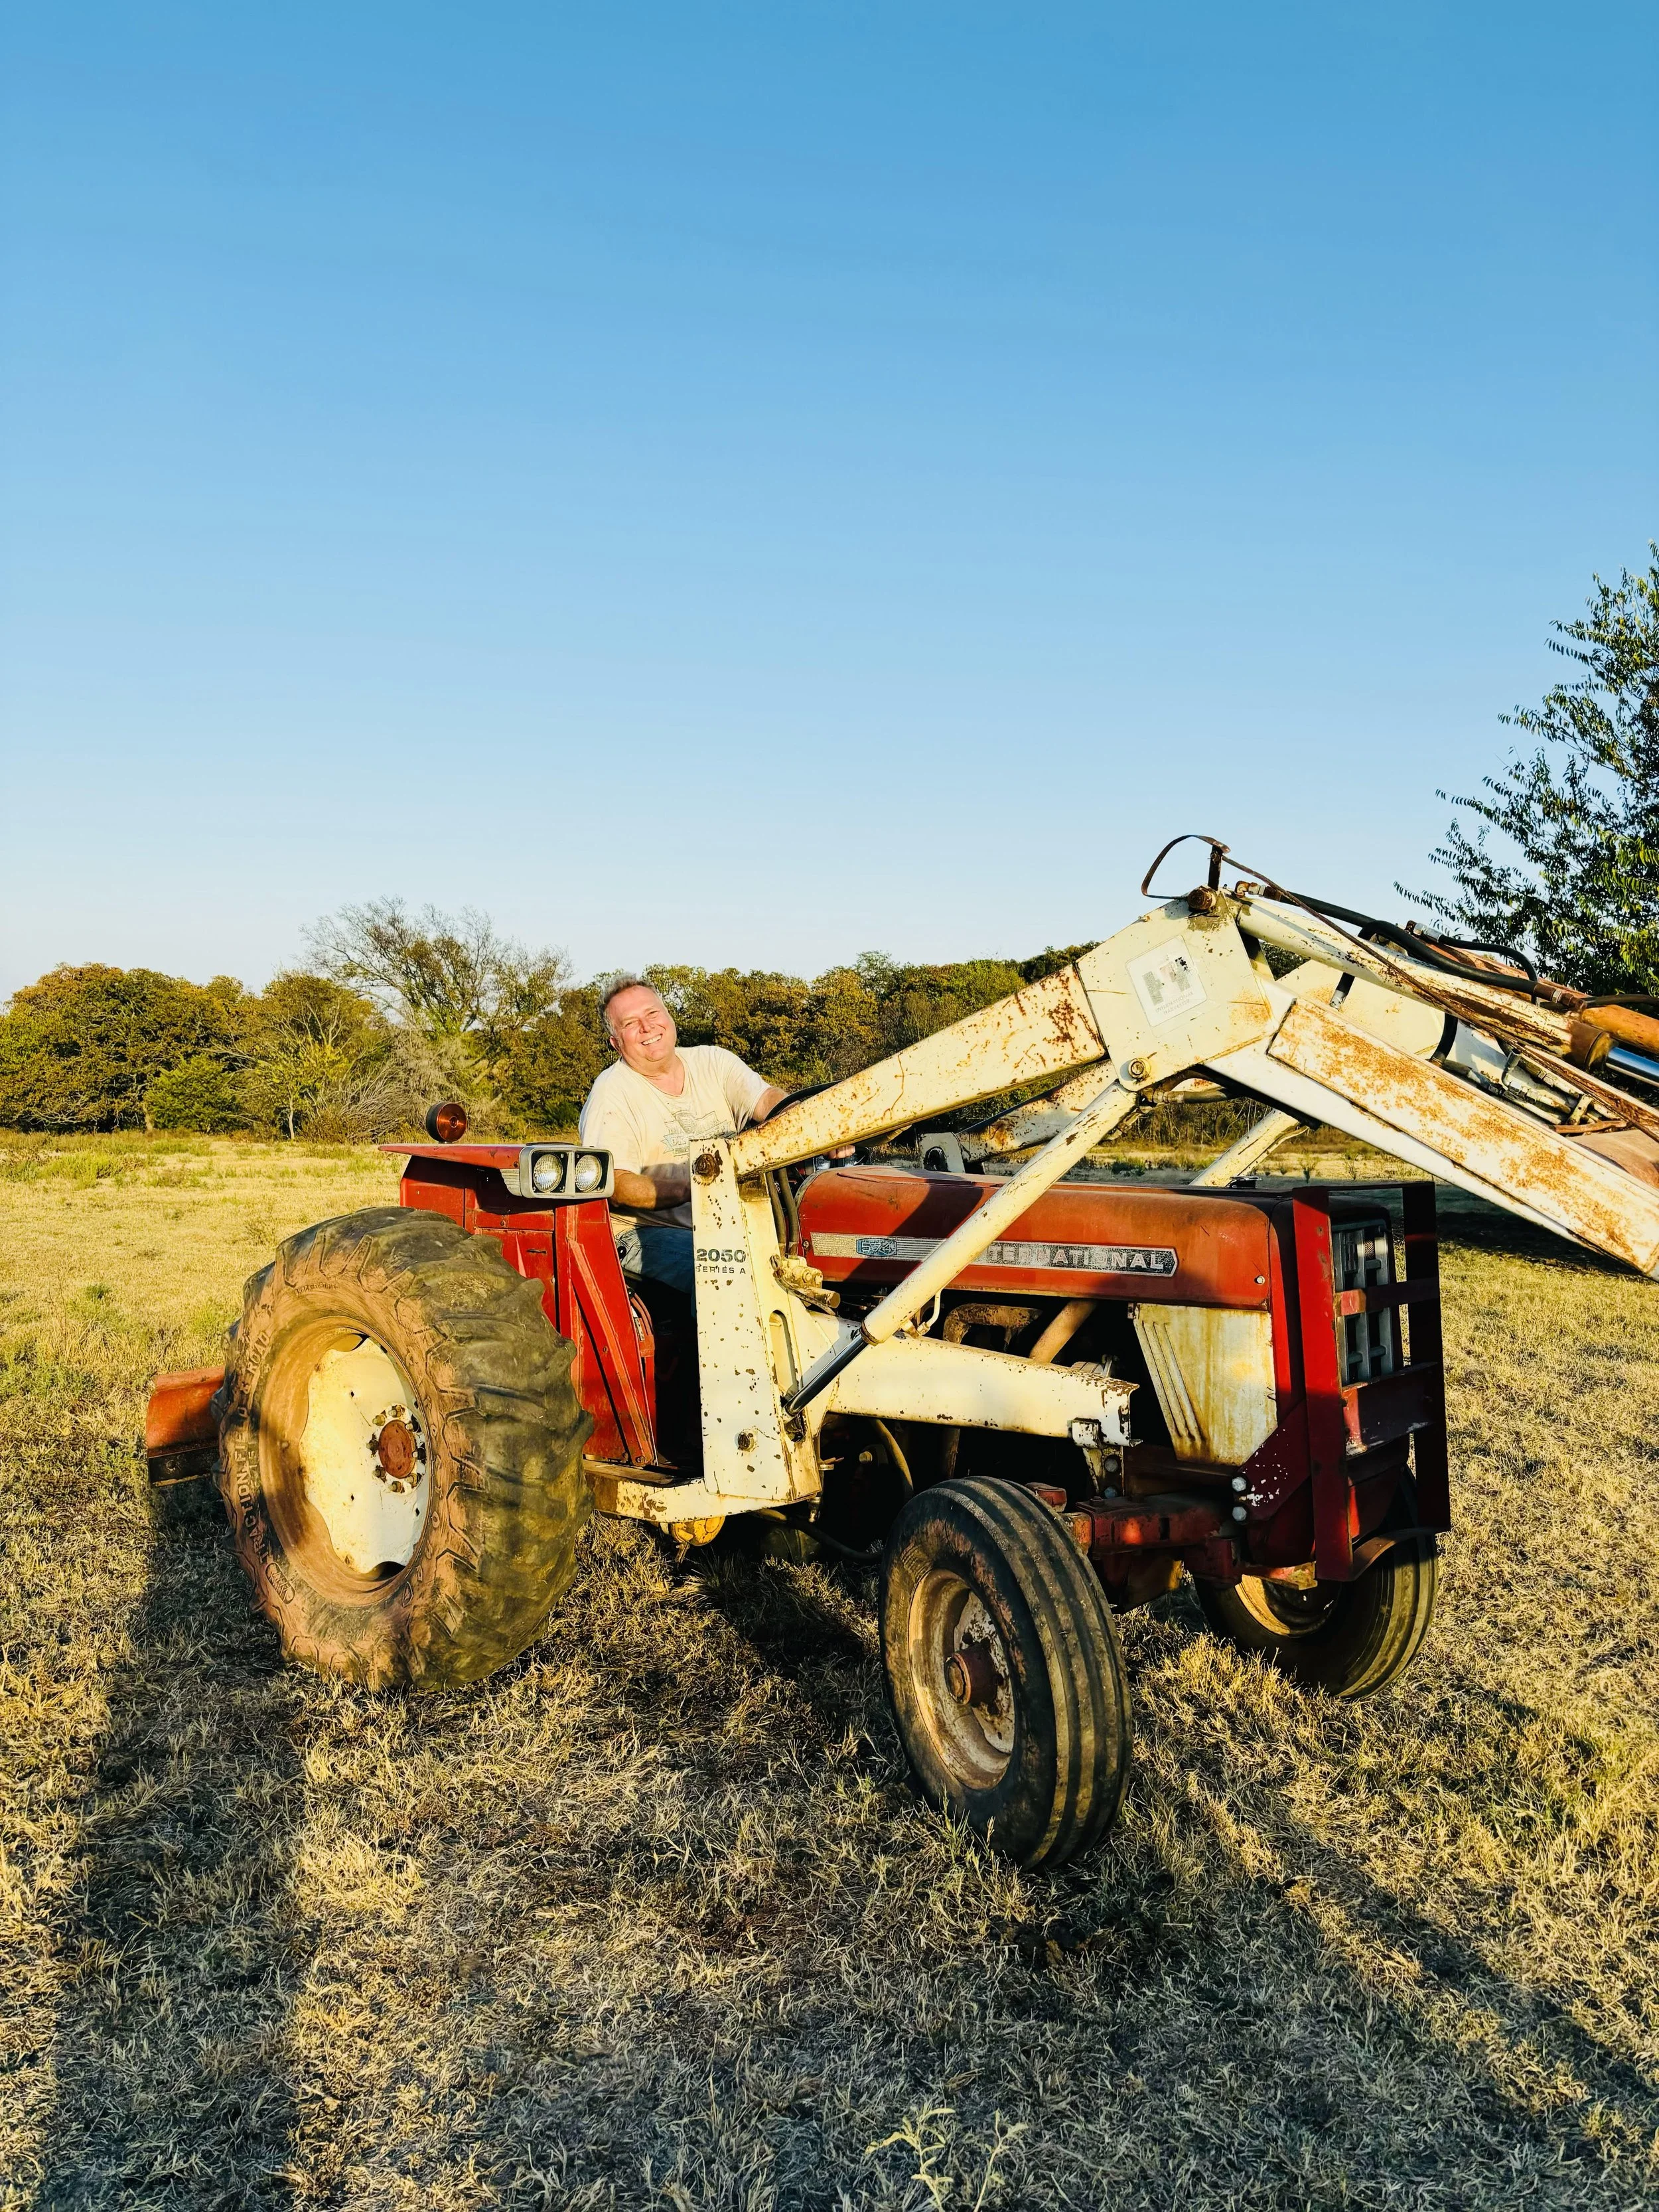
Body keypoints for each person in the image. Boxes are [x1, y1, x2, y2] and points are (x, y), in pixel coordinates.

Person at [579, 979, 788, 1298]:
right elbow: (616, 1185)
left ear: (669, 1017)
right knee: (726, 1270)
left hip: (726, 1225)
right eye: (631, 1024)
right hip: (646, 1232)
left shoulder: (713, 1062)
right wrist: (700, 1186)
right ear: (616, 1042)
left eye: (652, 1014)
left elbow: (767, 1100)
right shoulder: (612, 1093)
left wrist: (816, 1120)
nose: (647, 1028)